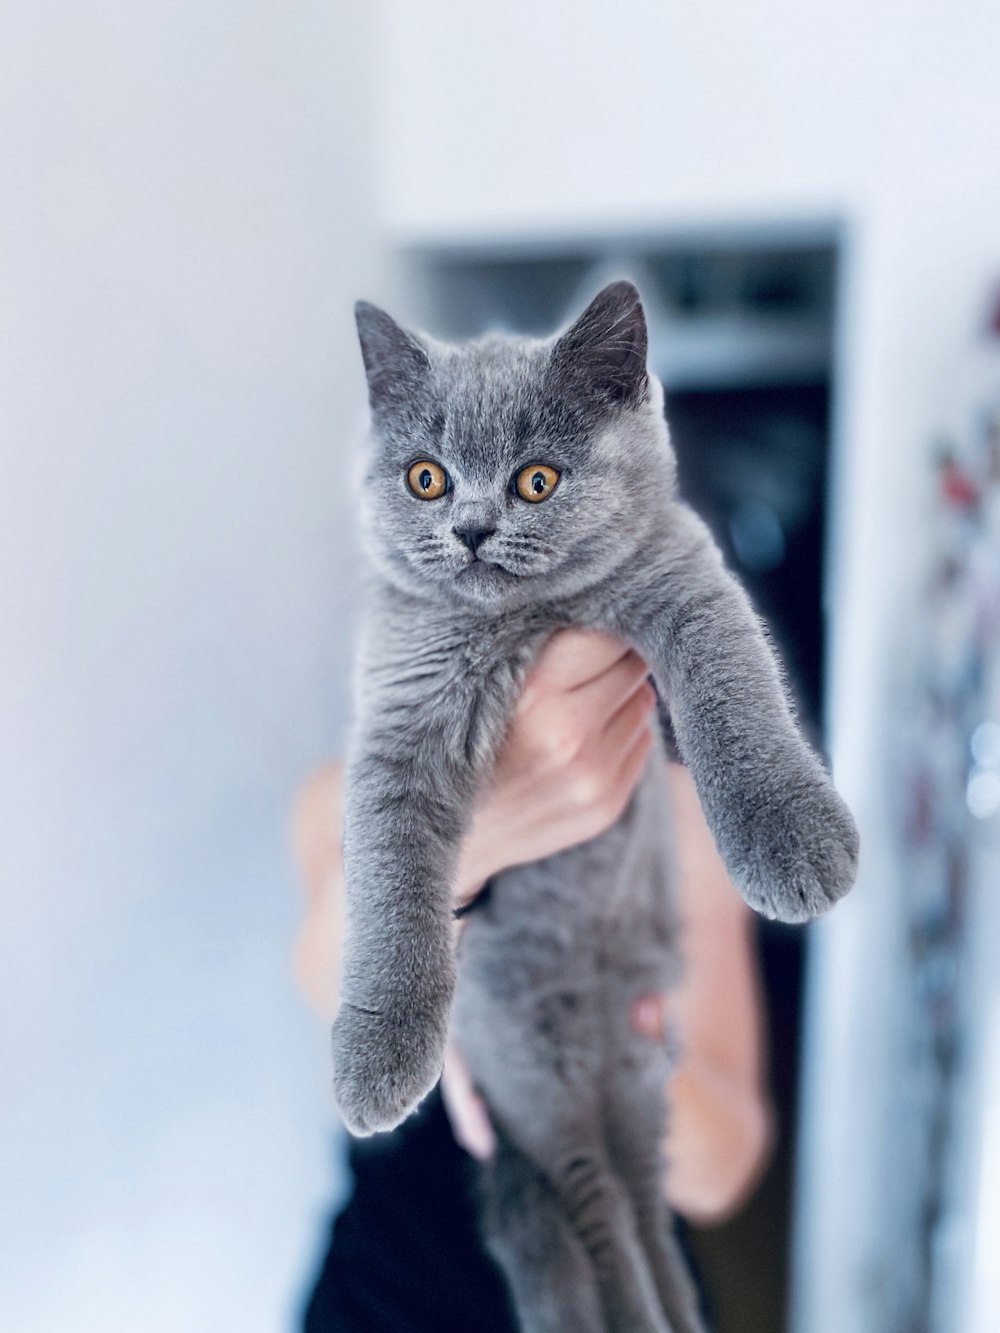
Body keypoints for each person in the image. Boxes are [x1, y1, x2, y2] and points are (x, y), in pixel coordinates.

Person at [291, 629, 774, 1331]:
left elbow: (720, 1170)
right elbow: (329, 983)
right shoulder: (356, 794)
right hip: (392, 1289)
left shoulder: (678, 814)